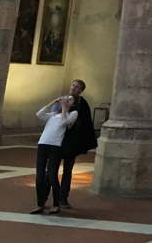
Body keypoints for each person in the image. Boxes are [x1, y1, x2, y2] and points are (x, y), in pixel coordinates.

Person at [47, 79, 97, 209]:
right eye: (73, 85)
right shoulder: (61, 100)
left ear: (81, 91)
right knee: (51, 170)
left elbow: (85, 123)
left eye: (77, 87)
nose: (73, 88)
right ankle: (45, 197)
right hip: (57, 140)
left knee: (67, 171)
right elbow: (53, 117)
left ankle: (63, 197)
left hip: (71, 142)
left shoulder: (82, 103)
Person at [32, 95, 78, 215]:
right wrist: (52, 103)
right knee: (39, 176)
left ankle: (56, 204)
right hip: (43, 144)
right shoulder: (53, 115)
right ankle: (40, 204)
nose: (67, 100)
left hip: (55, 146)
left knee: (52, 175)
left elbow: (64, 123)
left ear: (73, 104)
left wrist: (63, 107)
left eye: (70, 99)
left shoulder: (73, 114)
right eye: (66, 98)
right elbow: (39, 115)